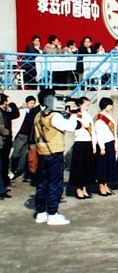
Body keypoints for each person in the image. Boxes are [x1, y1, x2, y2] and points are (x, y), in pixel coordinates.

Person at [33, 89, 82, 225]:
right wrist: (73, 115)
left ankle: (41, 212)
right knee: (55, 184)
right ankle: (53, 214)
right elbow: (71, 126)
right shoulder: (54, 116)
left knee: (42, 183)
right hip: (54, 153)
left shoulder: (38, 115)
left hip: (42, 152)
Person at [68, 97, 97, 199]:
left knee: (87, 167)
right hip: (79, 142)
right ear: (80, 105)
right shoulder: (75, 115)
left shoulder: (88, 116)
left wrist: (94, 144)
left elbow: (92, 131)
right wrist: (80, 123)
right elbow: (71, 127)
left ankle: (84, 188)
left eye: (88, 105)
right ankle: (78, 189)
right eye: (86, 105)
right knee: (79, 167)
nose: (87, 107)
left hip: (88, 142)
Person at [11, 95, 40, 181]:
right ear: (26, 103)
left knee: (24, 155)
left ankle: (20, 170)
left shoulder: (34, 112)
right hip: (21, 135)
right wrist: (20, 107)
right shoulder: (23, 111)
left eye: (34, 103)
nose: (32, 105)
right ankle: (12, 169)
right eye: (31, 103)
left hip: (29, 136)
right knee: (16, 154)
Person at [94, 97, 118, 196]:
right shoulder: (100, 118)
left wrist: (115, 143)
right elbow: (99, 134)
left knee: (109, 166)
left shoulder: (108, 116)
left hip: (110, 142)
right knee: (102, 166)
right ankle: (101, 186)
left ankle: (105, 185)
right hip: (104, 144)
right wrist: (102, 147)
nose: (111, 107)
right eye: (109, 105)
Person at [1, 94, 20, 187]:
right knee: (4, 162)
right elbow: (16, 114)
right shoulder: (3, 113)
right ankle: (4, 182)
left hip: (4, 140)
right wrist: (12, 104)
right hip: (4, 141)